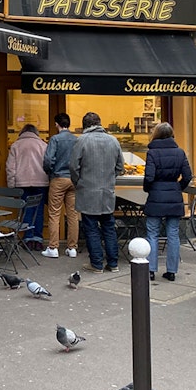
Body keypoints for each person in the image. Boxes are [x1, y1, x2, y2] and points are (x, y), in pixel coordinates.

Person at [69, 111, 125, 273]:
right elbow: (120, 166)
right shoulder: (113, 141)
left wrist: (78, 181)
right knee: (109, 227)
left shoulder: (82, 141)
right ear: (100, 123)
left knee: (91, 228)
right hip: (107, 192)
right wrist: (109, 179)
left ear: (85, 125)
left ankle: (97, 264)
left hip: (87, 191)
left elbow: (73, 166)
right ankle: (113, 264)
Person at [142, 122, 193, 281]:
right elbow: (188, 176)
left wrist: (149, 189)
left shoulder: (152, 153)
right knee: (173, 235)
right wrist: (178, 187)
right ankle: (172, 271)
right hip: (174, 196)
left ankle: (150, 269)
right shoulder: (180, 152)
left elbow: (149, 177)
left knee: (152, 234)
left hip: (156, 196)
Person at [5, 123, 49, 252]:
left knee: (27, 210)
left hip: (22, 183)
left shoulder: (16, 146)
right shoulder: (43, 145)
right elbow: (48, 164)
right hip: (41, 183)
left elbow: (10, 168)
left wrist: (12, 186)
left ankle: (28, 239)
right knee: (39, 210)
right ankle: (38, 240)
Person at [42, 113, 79, 258]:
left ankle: (53, 247)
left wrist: (50, 172)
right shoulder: (76, 140)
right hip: (73, 180)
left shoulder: (55, 139)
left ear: (56, 124)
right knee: (73, 215)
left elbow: (48, 160)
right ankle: (72, 248)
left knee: (54, 213)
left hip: (58, 178)